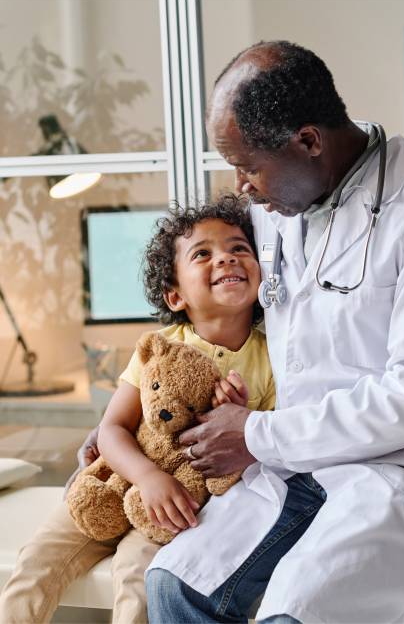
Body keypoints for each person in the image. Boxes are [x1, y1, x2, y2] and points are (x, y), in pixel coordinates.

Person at [144, 41, 404, 624]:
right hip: (302, 465)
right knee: (173, 584)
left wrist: (260, 434)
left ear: (309, 142)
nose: (241, 187)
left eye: (249, 166)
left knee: (296, 612)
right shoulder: (278, 203)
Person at [0, 195, 275, 624]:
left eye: (239, 248)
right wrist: (147, 476)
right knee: (35, 564)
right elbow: (112, 429)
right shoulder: (158, 347)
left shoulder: (272, 357)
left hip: (177, 509)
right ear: (175, 295)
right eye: (203, 253)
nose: (225, 258)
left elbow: (261, 448)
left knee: (137, 578)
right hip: (110, 484)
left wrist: (242, 420)